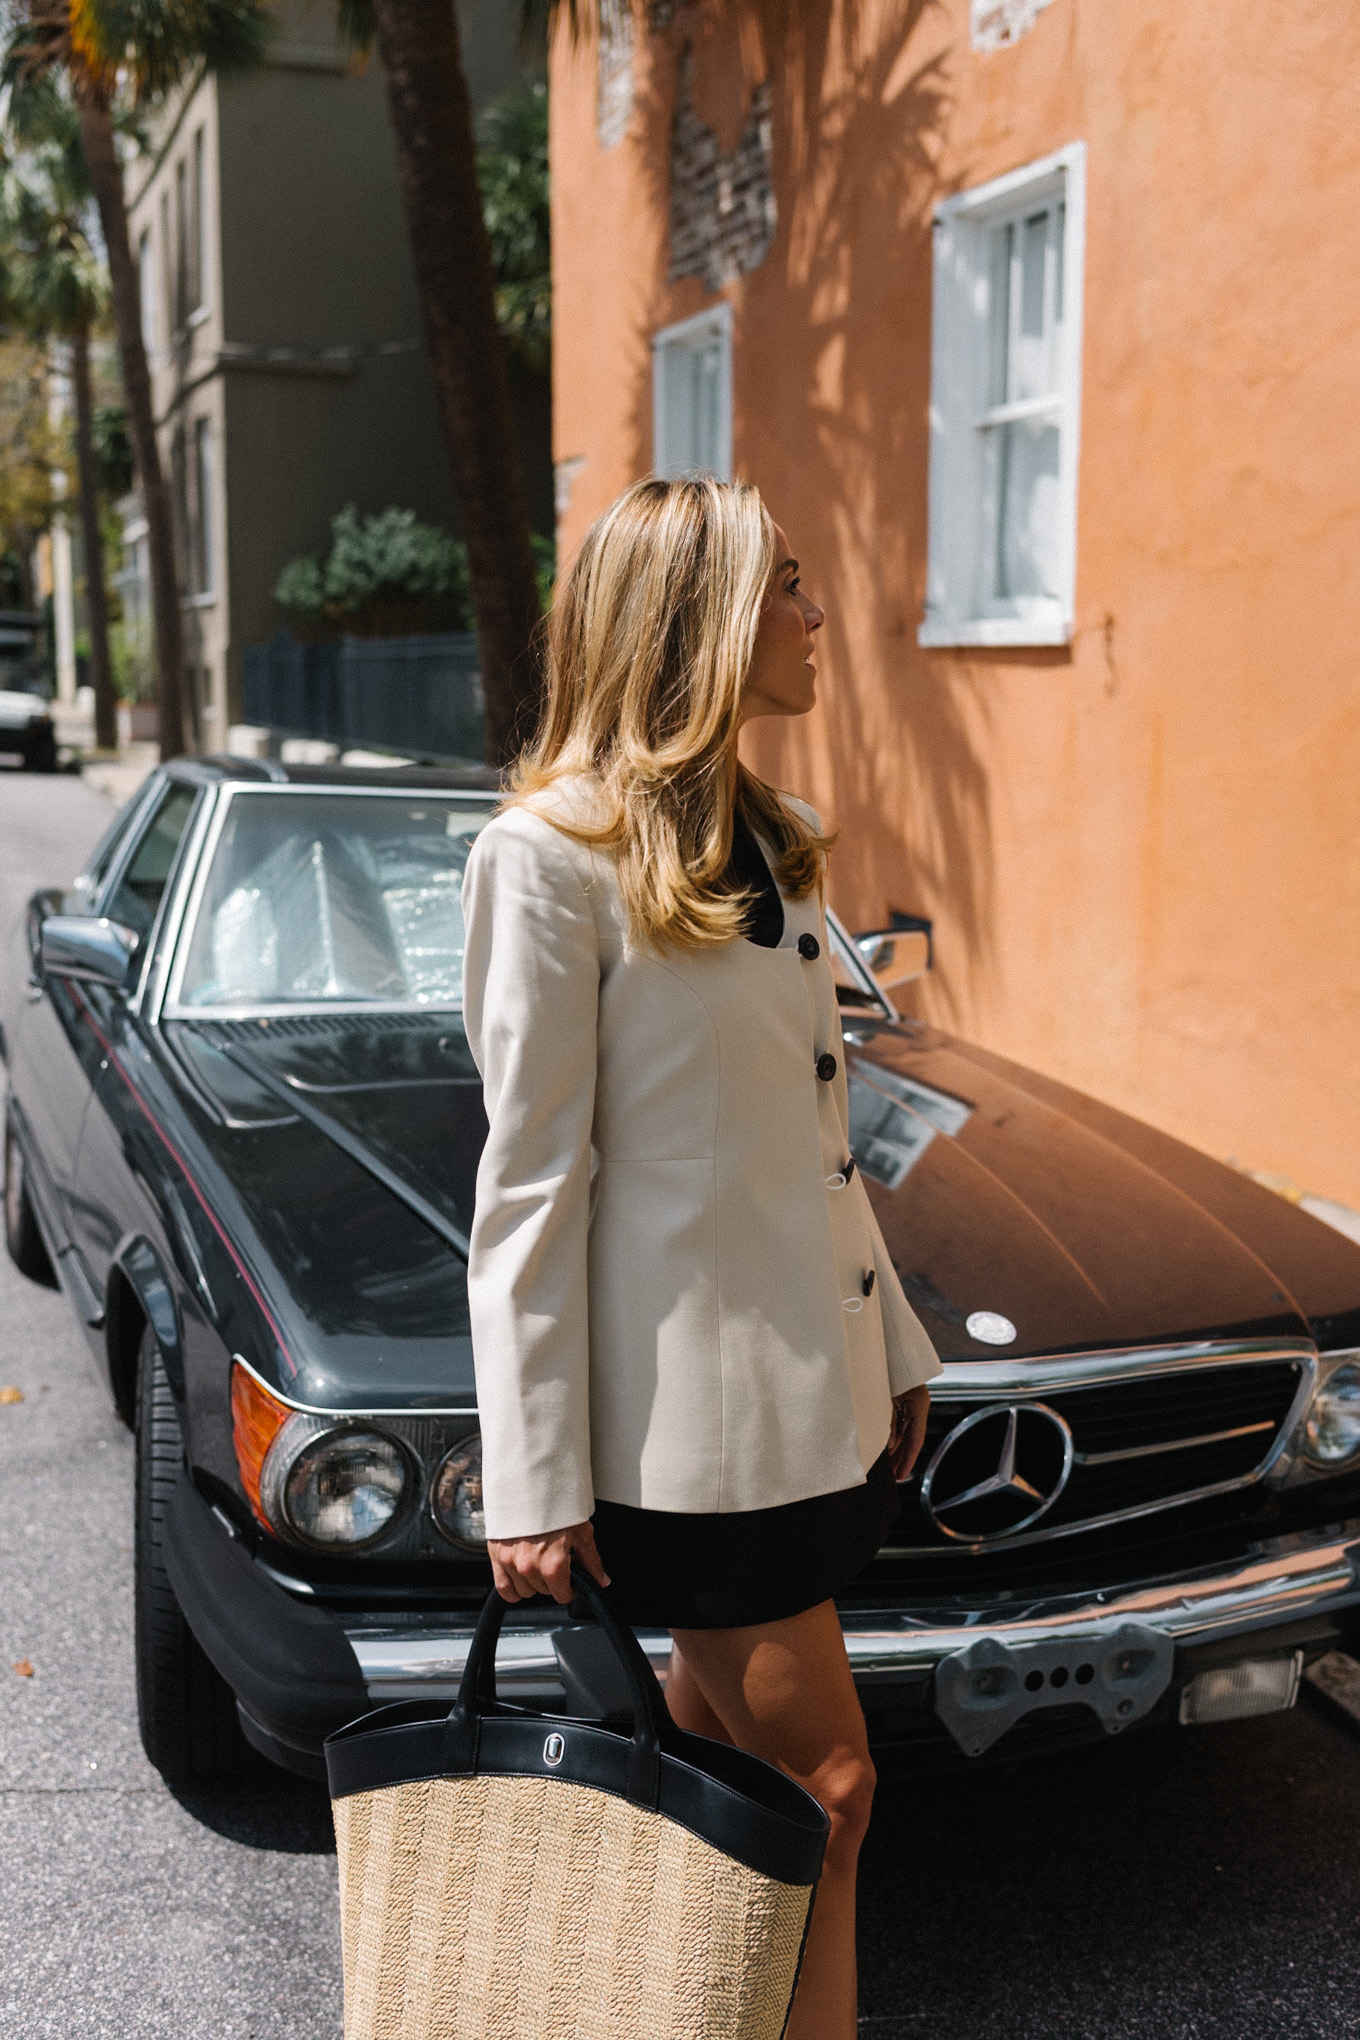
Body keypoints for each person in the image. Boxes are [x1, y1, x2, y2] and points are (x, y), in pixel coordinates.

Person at [460, 475, 941, 2039]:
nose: (815, 619)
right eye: (784, 588)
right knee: (831, 1790)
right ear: (700, 629)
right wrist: (531, 1477)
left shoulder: (776, 844)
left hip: (816, 1412)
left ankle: (669, 2010)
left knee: (710, 1768)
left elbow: (816, 1140)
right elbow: (530, 1184)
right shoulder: (548, 860)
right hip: (692, 1449)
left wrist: (907, 1349)